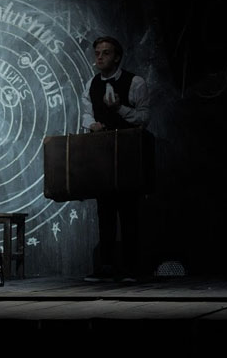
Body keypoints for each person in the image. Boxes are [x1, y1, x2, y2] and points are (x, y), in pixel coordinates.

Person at [81, 36, 150, 283]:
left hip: (129, 154)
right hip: (103, 154)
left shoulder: (135, 82)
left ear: (117, 57)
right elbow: (86, 114)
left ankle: (131, 268)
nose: (100, 57)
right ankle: (107, 266)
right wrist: (92, 125)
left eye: (106, 53)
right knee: (105, 210)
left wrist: (119, 109)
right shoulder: (91, 84)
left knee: (129, 210)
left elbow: (144, 118)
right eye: (97, 53)